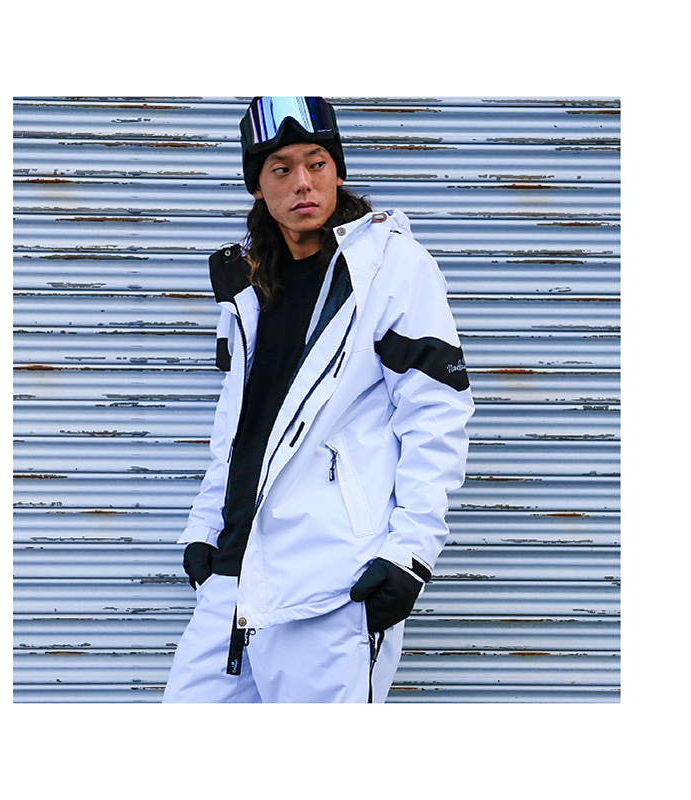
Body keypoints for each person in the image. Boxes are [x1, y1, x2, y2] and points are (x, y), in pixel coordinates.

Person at [162, 96, 474, 703]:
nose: (302, 182)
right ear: (258, 187)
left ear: (338, 172)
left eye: (317, 164)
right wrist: (204, 528)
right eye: (281, 169)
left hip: (331, 582)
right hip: (235, 572)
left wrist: (410, 554)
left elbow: (436, 413)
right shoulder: (248, 284)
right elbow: (240, 423)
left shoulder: (390, 268)